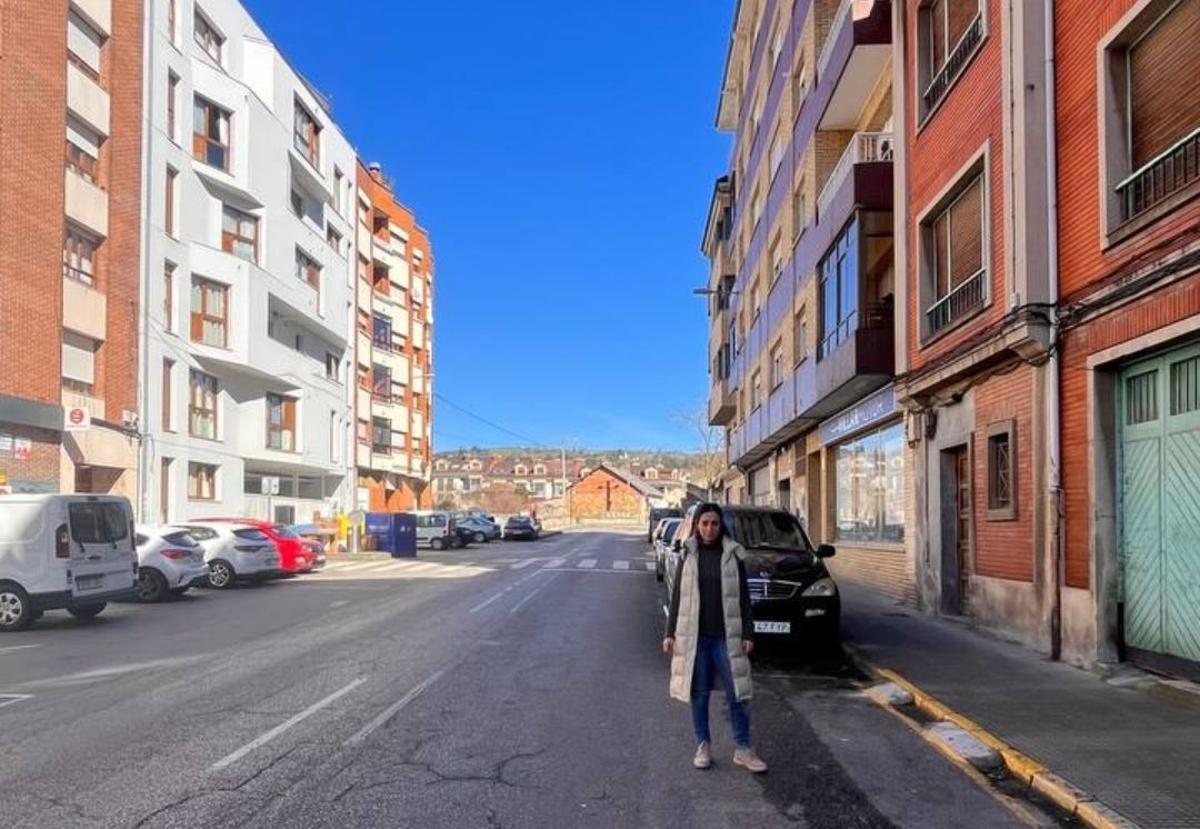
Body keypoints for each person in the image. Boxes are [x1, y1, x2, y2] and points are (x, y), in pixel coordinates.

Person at [662, 503, 767, 773]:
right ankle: (703, 746)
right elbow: (678, 598)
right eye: (705, 523)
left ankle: (743, 749)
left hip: (726, 637)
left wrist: (748, 632)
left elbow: (744, 597)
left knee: (738, 694)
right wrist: (669, 633)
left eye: (715, 523)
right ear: (697, 525)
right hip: (696, 638)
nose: (709, 528)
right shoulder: (689, 554)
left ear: (722, 527)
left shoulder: (733, 555)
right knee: (699, 694)